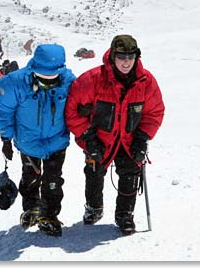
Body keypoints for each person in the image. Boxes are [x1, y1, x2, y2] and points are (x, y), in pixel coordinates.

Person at [65, 34, 165, 235]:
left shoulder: (146, 81)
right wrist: (88, 138)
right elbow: (72, 110)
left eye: (131, 56)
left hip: (129, 140)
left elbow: (154, 112)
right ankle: (94, 208)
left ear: (136, 57)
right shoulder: (93, 79)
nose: (126, 61)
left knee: (130, 174)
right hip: (99, 139)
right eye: (121, 56)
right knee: (94, 173)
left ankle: (124, 215)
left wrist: (142, 138)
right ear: (112, 57)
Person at [0, 44, 76, 236]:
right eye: (42, 76)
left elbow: (80, 105)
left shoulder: (69, 82)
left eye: (51, 77)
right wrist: (6, 139)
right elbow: (4, 111)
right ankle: (31, 209)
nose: (48, 80)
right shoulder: (15, 83)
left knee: (53, 181)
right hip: (28, 142)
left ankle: (49, 216)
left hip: (57, 142)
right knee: (30, 178)